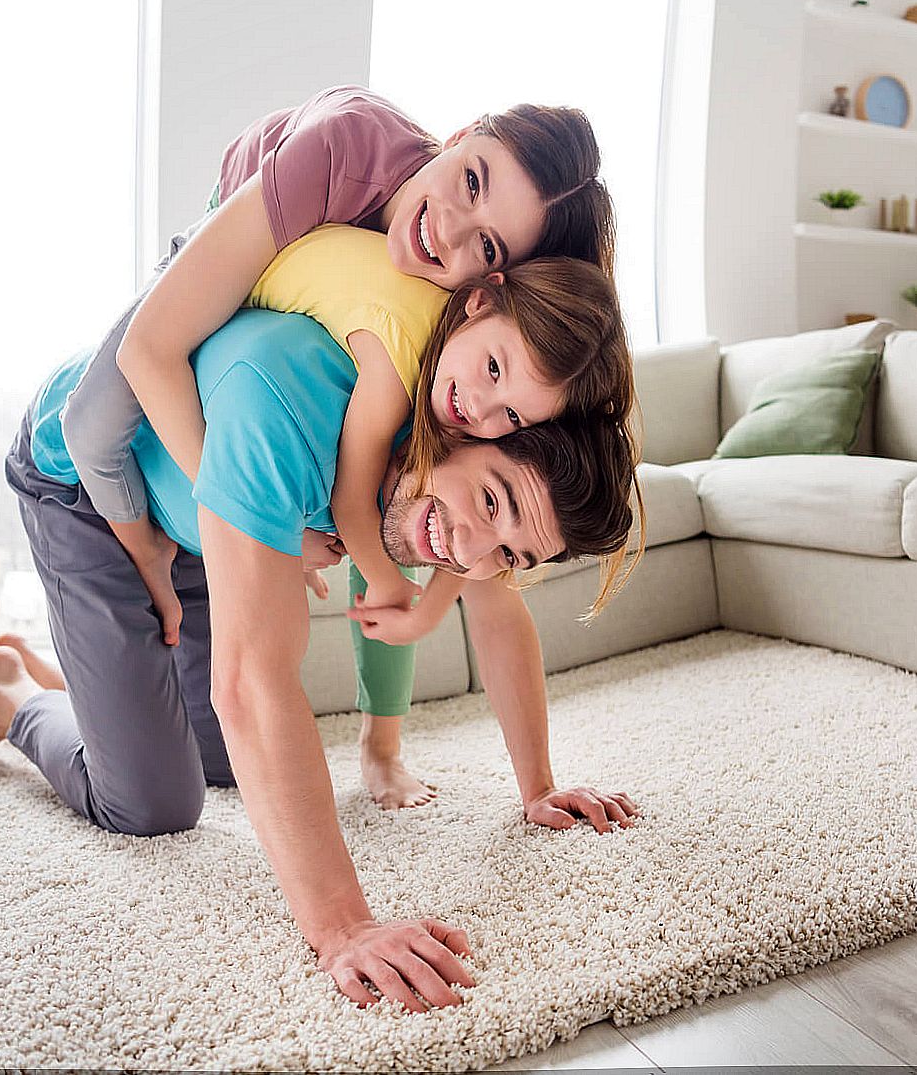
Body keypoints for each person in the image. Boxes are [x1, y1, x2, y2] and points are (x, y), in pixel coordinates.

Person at [0, 301, 641, 1014]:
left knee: (238, 763)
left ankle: (95, 693)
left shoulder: (464, 474)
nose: (468, 549)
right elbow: (249, 681)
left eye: (509, 549)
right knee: (154, 802)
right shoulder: (290, 407)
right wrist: (343, 928)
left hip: (204, 515)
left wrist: (538, 786)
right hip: (86, 486)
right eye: (489, 501)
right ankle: (14, 692)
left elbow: (495, 605)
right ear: (452, 428)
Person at [61, 84, 619, 806]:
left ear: (499, 277)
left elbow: (476, 541)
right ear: (460, 134)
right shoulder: (347, 151)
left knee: (410, 515)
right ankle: (138, 549)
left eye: (486, 243)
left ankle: (379, 745)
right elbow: (150, 351)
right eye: (471, 180)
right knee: (93, 422)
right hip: (244, 230)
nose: (451, 229)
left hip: (339, 306)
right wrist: (266, 530)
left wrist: (536, 783)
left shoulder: (474, 360)